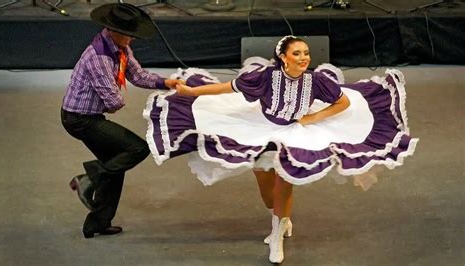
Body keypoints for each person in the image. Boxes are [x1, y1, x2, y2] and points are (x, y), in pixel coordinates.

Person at [143, 36, 419, 263]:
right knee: (267, 189)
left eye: (306, 53)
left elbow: (343, 103)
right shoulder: (265, 77)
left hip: (296, 132)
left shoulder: (316, 81)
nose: (303, 57)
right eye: (297, 53)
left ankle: (276, 234)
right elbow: (228, 88)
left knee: (285, 181)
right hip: (261, 127)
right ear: (284, 57)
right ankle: (282, 218)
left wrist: (311, 118)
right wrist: (192, 93)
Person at [61, 3, 183, 239]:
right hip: (79, 120)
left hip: (91, 116)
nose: (133, 39)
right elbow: (113, 100)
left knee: (116, 162)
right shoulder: (100, 58)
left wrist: (165, 83)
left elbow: (137, 75)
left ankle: (96, 223)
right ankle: (88, 179)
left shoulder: (119, 48)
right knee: (136, 148)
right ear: (112, 30)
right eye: (130, 34)